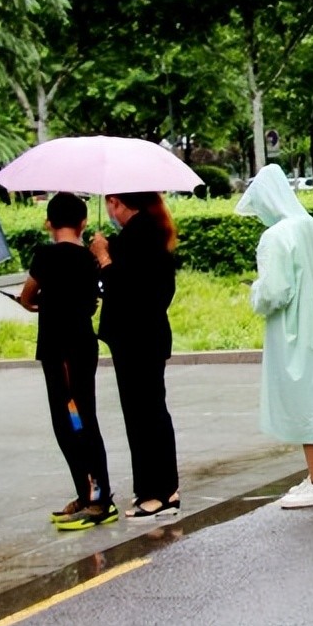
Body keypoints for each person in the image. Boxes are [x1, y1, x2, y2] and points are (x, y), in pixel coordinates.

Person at [237, 165, 313, 508]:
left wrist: (254, 291)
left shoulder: (277, 236)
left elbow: (274, 292)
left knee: (305, 405)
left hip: (293, 331)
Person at [20, 193, 115, 530]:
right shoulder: (89, 260)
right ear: (84, 223)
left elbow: (29, 294)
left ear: (49, 223)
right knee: (82, 418)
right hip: (81, 347)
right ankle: (90, 492)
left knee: (72, 422)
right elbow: (92, 302)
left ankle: (98, 499)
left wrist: (34, 302)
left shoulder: (44, 256)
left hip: (58, 353)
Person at [89, 191, 179, 518]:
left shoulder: (136, 237)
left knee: (142, 414)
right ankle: (165, 486)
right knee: (152, 410)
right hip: (149, 335)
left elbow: (127, 291)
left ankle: (153, 491)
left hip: (135, 337)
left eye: (109, 204)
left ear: (117, 202)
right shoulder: (151, 232)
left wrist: (104, 258)